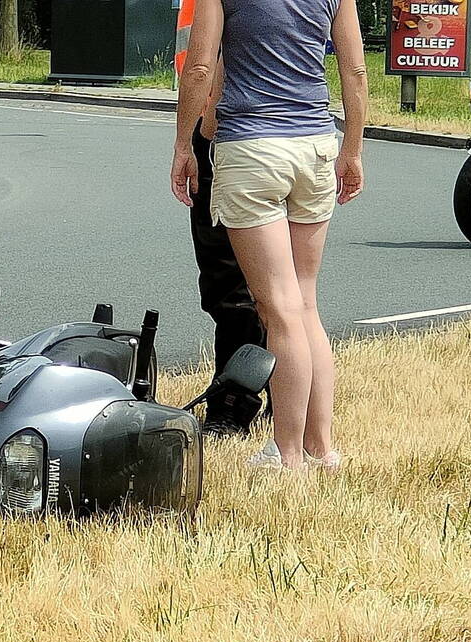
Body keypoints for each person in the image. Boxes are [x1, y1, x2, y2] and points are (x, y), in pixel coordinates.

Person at [170, 0, 368, 469]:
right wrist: (353, 151)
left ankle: (287, 452)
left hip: (253, 149)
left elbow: (199, 66)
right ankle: (322, 447)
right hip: (316, 146)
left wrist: (183, 144)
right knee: (304, 303)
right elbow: (355, 71)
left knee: (278, 311)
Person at [189, 61, 266, 438]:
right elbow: (355, 70)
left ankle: (233, 404)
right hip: (302, 134)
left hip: (235, 133)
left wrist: (192, 139)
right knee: (289, 293)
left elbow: (202, 67)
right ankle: (287, 398)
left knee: (230, 287)